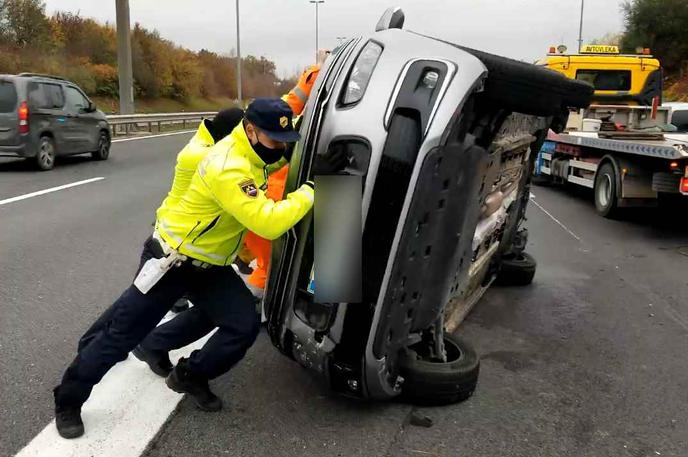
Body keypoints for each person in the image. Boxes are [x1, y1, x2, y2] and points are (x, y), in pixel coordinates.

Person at [53, 98, 315, 439]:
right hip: (171, 262)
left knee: (243, 325)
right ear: (250, 131)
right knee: (119, 337)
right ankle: (68, 400)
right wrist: (311, 189)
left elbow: (277, 158)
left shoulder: (255, 154)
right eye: (273, 140)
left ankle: (190, 375)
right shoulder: (228, 165)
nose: (280, 148)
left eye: (284, 142)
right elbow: (266, 222)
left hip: (210, 268)